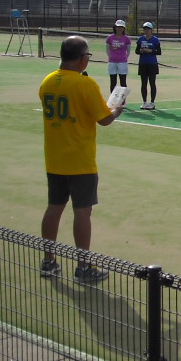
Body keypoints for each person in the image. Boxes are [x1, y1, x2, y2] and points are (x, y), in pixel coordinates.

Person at [38, 36, 124, 281]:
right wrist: (117, 108)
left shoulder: (47, 81)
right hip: (80, 160)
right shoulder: (85, 85)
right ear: (83, 58)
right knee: (82, 213)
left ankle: (48, 261)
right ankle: (83, 266)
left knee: (54, 208)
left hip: (55, 158)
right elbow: (104, 119)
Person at [135, 22, 161, 109]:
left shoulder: (155, 40)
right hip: (143, 64)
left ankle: (152, 102)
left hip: (152, 64)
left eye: (148, 29)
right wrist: (141, 51)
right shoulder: (140, 39)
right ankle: (144, 102)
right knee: (143, 83)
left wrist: (150, 51)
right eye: (145, 29)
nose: (146, 31)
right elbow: (136, 51)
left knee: (152, 83)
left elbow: (159, 52)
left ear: (151, 30)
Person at [105, 19, 131, 93]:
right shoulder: (110, 38)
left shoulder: (126, 39)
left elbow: (128, 51)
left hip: (122, 62)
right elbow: (107, 49)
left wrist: (124, 57)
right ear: (115, 27)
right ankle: (113, 100)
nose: (120, 29)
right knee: (113, 81)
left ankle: (122, 100)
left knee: (123, 81)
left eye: (121, 27)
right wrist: (111, 57)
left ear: (124, 28)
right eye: (118, 27)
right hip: (112, 62)